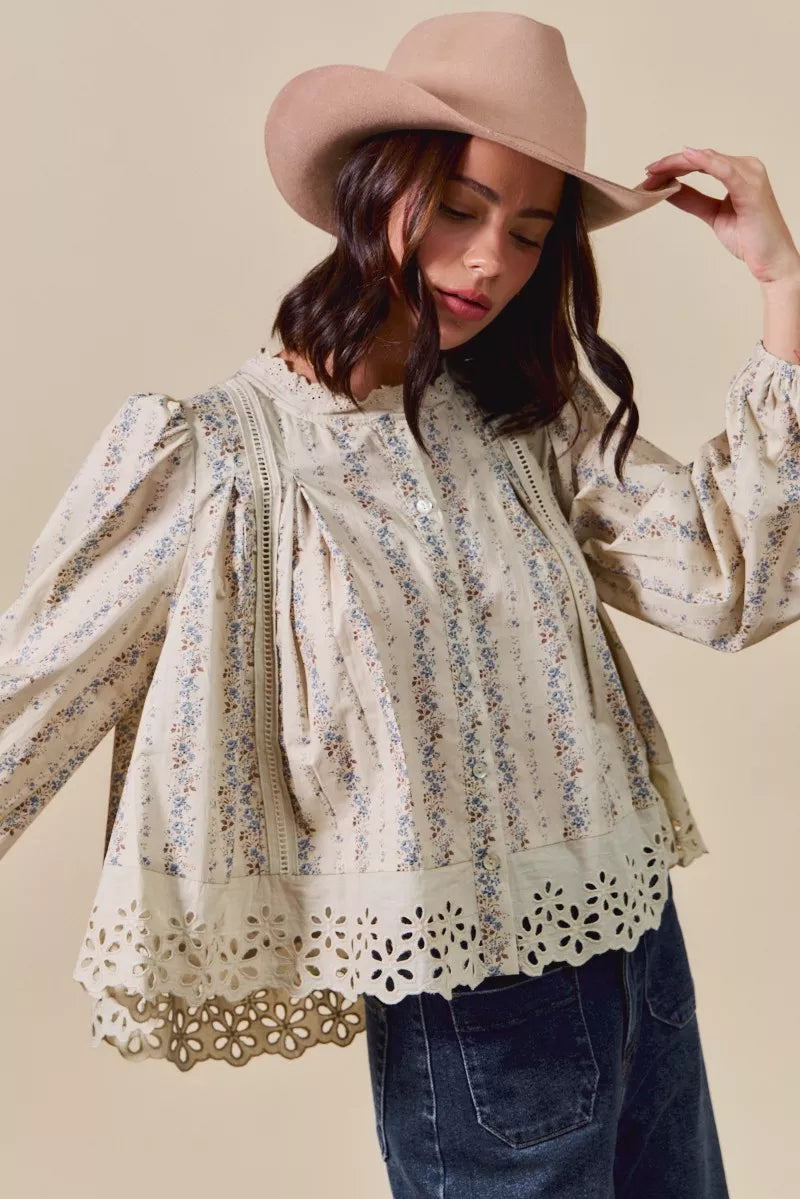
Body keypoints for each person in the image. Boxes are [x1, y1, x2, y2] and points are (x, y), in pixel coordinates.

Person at [2, 11, 799, 1196]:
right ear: (374, 188)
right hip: (471, 993)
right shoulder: (223, 453)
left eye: (530, 234)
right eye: (462, 208)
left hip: (637, 938)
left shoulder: (528, 419)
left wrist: (781, 280)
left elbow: (732, 579)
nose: (489, 262)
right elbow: (31, 691)